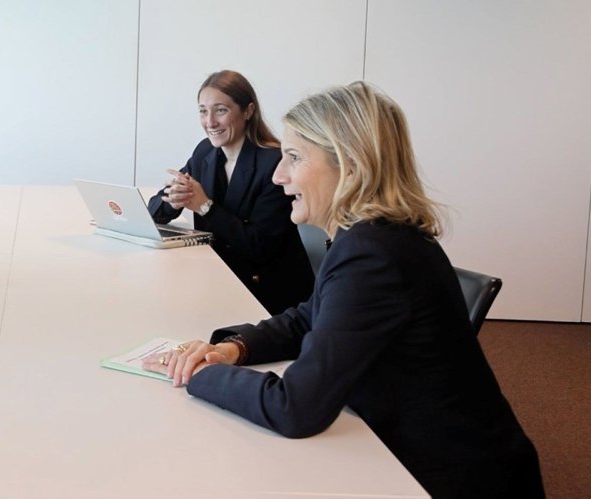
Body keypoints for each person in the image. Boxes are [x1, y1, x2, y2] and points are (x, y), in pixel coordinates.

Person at [143, 82, 543, 499]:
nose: (278, 175)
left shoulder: (373, 254)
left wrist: (203, 374)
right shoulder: (372, 236)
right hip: (415, 451)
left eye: (294, 157)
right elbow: (310, 316)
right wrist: (234, 349)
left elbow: (296, 408)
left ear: (349, 165)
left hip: (448, 478)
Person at [147, 70, 313, 314]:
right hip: (218, 278)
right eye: (203, 111)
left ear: (248, 111)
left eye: (221, 110)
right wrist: (173, 200)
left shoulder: (274, 164)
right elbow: (154, 211)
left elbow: (259, 246)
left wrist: (205, 206)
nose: (210, 122)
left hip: (270, 295)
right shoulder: (204, 152)